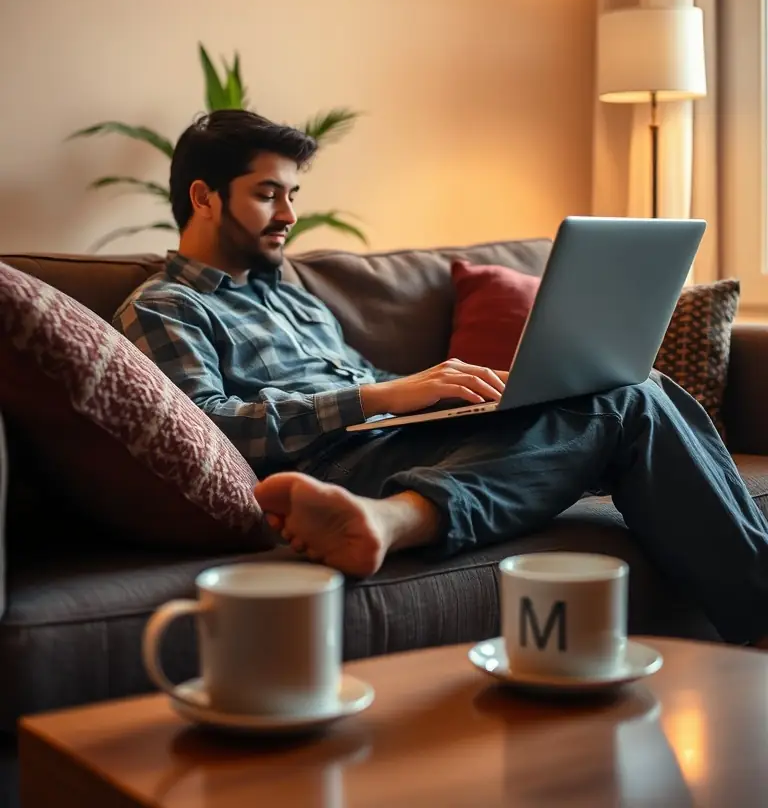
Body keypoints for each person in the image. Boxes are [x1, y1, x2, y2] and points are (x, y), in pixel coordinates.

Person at [115, 110, 768, 648]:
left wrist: (470, 392)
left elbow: (374, 385)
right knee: (623, 404)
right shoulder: (166, 307)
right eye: (267, 194)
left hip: (389, 439)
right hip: (326, 465)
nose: (288, 213)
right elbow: (204, 428)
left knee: (631, 383)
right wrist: (379, 396)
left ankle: (404, 512)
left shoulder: (294, 298)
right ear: (203, 197)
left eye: (293, 194)